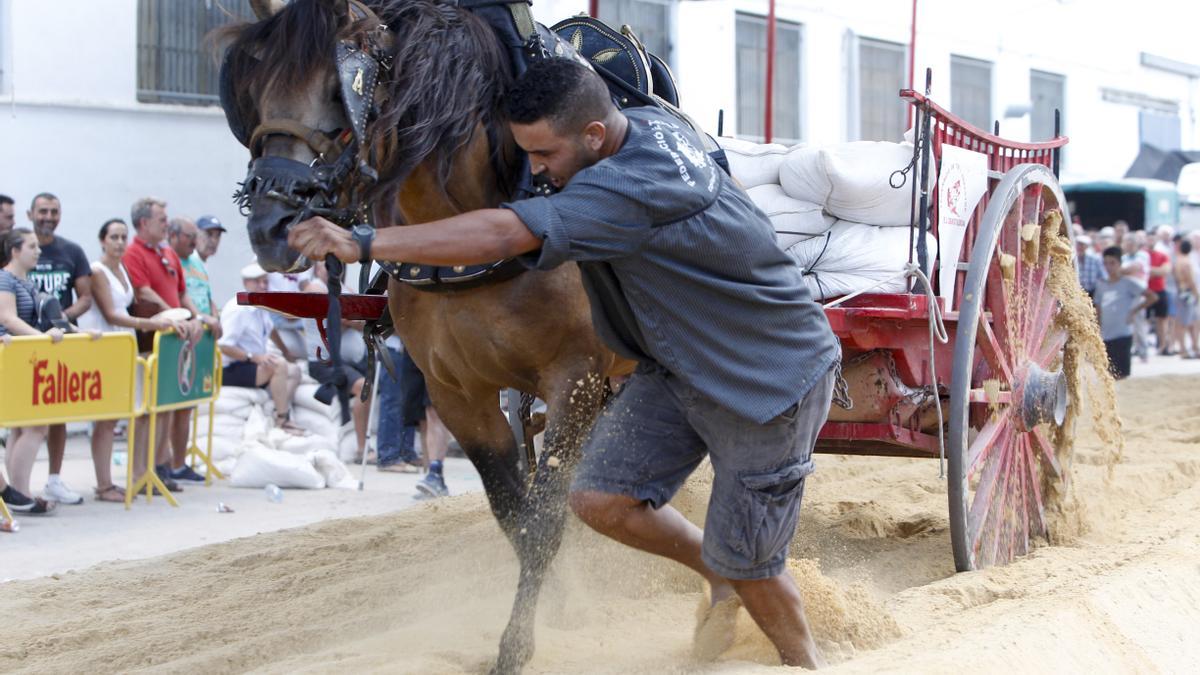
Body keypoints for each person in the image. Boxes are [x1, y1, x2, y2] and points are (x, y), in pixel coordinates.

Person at [290, 59, 838, 667]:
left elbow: (501, 236)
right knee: (600, 499)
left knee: (756, 564)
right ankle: (719, 569)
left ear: (593, 138)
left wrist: (363, 242)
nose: (534, 170)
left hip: (765, 378)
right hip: (677, 367)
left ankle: (801, 661)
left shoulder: (626, 189)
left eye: (544, 154)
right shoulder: (647, 122)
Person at [77, 219, 183, 501]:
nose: (120, 242)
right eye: (114, 237)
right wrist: (150, 324)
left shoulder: (122, 268)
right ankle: (104, 483)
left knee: (139, 412)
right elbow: (111, 314)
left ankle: (138, 473)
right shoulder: (97, 271)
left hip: (128, 344)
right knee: (108, 420)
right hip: (109, 344)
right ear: (103, 240)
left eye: (123, 236)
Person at [122, 197, 211, 493]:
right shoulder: (134, 252)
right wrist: (174, 316)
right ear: (144, 223)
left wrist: (196, 317)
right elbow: (143, 291)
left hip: (174, 339)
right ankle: (143, 470)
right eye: (161, 218)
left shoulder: (168, 254)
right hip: (152, 341)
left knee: (169, 406)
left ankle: (161, 466)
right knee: (150, 410)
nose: (166, 222)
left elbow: (183, 292)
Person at [24, 193, 94, 505]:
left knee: (57, 414)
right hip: (24, 343)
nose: (48, 217)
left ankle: (53, 479)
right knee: (21, 417)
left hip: (59, 343)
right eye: (43, 211)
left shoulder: (72, 251)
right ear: (30, 214)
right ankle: (17, 486)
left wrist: (61, 318)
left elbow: (85, 297)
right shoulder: (17, 248)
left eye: (54, 211)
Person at [0, 229, 66, 514]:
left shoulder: (25, 281)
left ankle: (18, 493)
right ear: (15, 251)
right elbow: (7, 317)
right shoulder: (5, 278)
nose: (38, 251)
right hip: (11, 358)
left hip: (23, 358)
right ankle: (18, 493)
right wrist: (40, 338)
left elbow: (46, 317)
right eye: (31, 246)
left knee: (25, 426)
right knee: (36, 425)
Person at [165, 216, 222, 482]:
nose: (212, 240)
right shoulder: (173, 261)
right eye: (205, 234)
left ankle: (178, 463)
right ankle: (166, 462)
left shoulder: (199, 264)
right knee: (170, 404)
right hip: (181, 335)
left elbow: (205, 293)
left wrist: (213, 317)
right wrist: (198, 318)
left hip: (200, 335)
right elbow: (178, 295)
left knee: (186, 405)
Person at [218, 264, 305, 434]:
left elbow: (270, 330)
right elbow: (224, 345)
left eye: (265, 282)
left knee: (294, 370)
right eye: (257, 282)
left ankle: (274, 409)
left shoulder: (261, 306)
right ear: (246, 283)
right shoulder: (238, 309)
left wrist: (286, 351)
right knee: (278, 365)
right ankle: (282, 419)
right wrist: (254, 357)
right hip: (232, 368)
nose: (262, 286)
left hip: (251, 364)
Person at [302, 263, 369, 458]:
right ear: (317, 268)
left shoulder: (344, 288)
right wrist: (353, 319)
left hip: (349, 362)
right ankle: (361, 448)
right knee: (363, 387)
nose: (332, 268)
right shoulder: (315, 288)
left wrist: (353, 319)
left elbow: (362, 317)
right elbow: (338, 318)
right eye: (326, 264)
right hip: (326, 362)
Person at [1095, 246, 1158, 379]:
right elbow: (1098, 307)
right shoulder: (1101, 284)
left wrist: (1133, 311)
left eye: (1112, 263)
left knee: (1122, 373)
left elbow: (1152, 296)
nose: (1108, 267)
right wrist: (1098, 326)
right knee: (1108, 372)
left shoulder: (1128, 283)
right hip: (1106, 333)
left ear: (1119, 264)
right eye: (1106, 263)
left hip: (1123, 332)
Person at [373, 335, 423, 474]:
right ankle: (388, 456)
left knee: (408, 400)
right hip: (393, 347)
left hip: (409, 348)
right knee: (392, 401)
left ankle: (406, 452)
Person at [1172, 237, 1199, 359]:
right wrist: (1196, 294)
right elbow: (1190, 280)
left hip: (1180, 291)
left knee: (1189, 321)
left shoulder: (1178, 260)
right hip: (1187, 293)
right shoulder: (1186, 262)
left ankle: (1192, 347)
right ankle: (1183, 349)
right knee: (1184, 322)